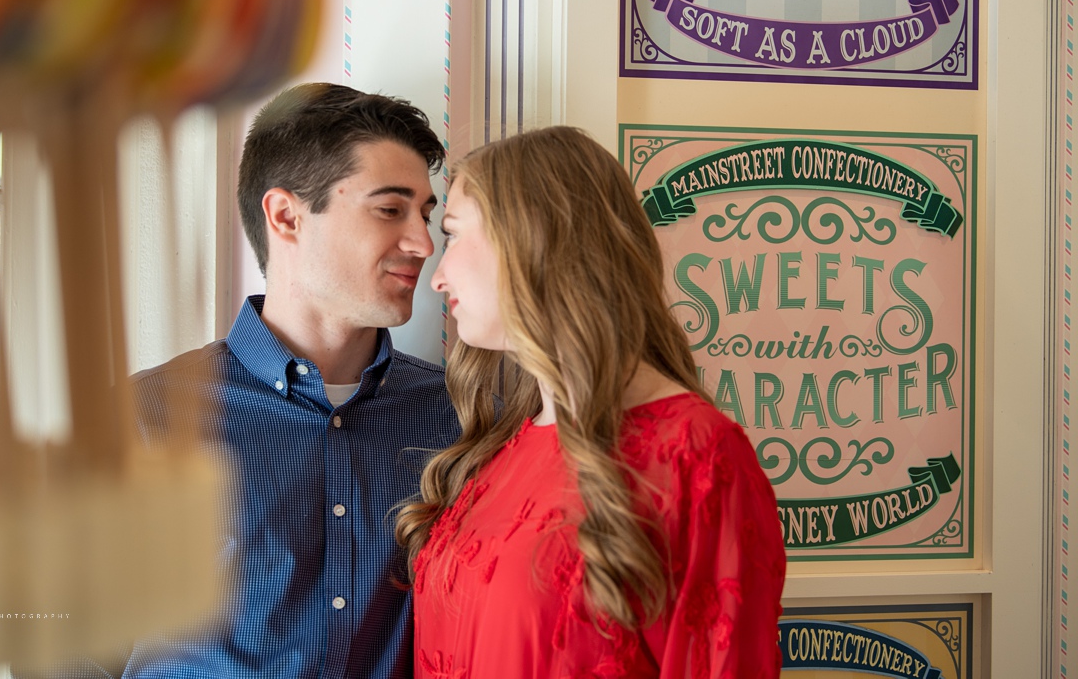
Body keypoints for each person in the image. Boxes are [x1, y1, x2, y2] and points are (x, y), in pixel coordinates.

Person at [397, 127, 786, 678]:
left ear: (532, 235)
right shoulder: (500, 447)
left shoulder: (696, 454)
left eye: (454, 234)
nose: (436, 277)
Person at [117, 83, 457, 678]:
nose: (423, 244)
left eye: (426, 214)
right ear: (286, 216)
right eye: (390, 209)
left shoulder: (458, 416)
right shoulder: (147, 416)